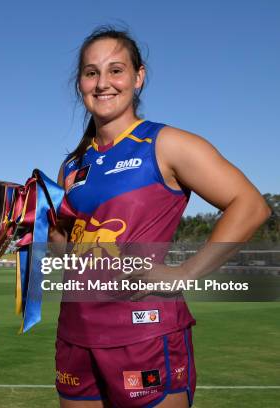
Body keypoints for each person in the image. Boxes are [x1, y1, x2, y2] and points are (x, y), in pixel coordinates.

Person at [52, 27, 270, 408]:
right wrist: (31, 227)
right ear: (80, 84)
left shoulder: (166, 144)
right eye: (91, 73)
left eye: (115, 70)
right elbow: (65, 256)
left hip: (144, 335)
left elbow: (250, 205)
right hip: (76, 334)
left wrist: (184, 272)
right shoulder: (72, 165)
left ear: (138, 77)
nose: (103, 83)